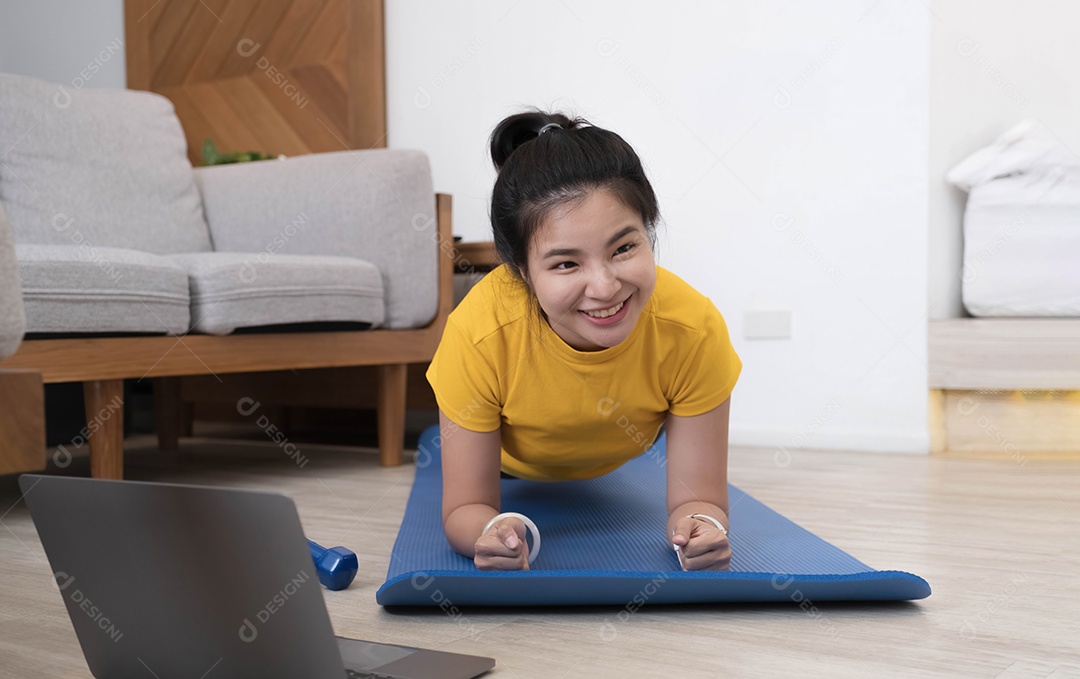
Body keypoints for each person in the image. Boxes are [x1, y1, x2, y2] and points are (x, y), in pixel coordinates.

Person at [426, 110, 742, 572]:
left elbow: (701, 501)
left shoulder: (693, 329)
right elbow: (464, 510)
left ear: (648, 234)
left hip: (621, 452)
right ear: (520, 273)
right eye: (565, 264)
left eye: (624, 248)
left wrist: (700, 526)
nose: (605, 287)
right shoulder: (479, 335)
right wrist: (486, 533)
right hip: (510, 462)